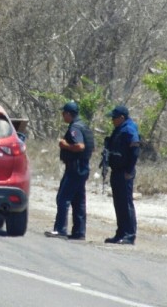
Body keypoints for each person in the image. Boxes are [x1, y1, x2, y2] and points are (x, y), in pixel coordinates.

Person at [45, 101, 94, 240]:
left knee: (63, 198)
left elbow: (80, 146)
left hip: (75, 168)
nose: (62, 115)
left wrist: (65, 145)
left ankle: (60, 229)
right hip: (82, 168)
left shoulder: (75, 128)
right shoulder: (84, 126)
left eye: (63, 113)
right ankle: (79, 232)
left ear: (68, 113)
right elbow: (92, 147)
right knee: (78, 200)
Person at [104, 105, 140, 245]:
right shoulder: (120, 129)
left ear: (121, 118)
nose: (112, 120)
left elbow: (135, 149)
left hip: (125, 172)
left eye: (114, 118)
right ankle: (120, 233)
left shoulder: (129, 128)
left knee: (126, 203)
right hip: (117, 171)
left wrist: (129, 171)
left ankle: (129, 235)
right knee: (118, 204)